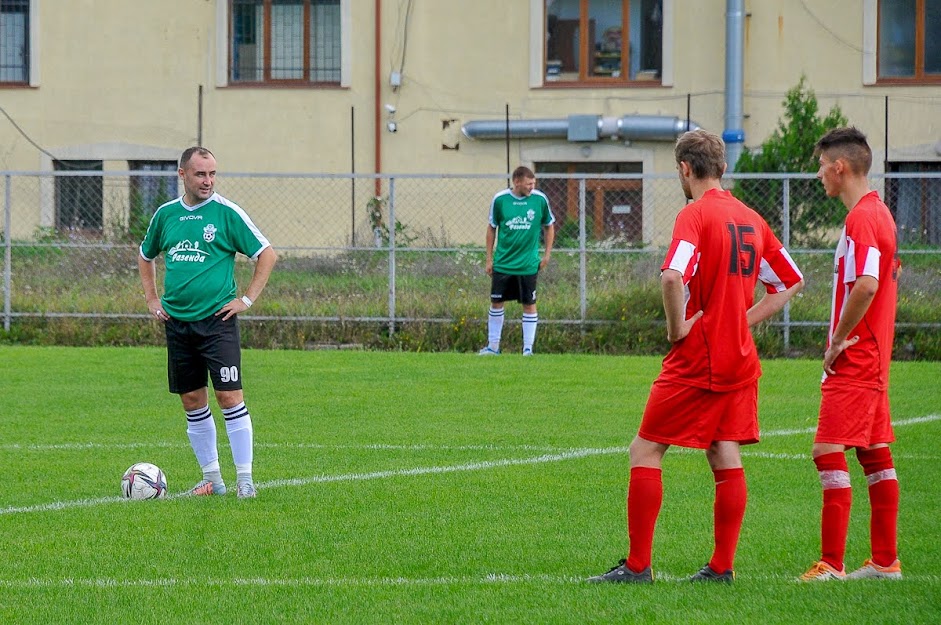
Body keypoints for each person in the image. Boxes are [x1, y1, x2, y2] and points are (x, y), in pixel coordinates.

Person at [589, 129, 804, 584]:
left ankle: (638, 567)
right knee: (724, 452)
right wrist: (740, 321)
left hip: (697, 358)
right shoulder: (751, 218)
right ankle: (722, 568)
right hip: (740, 359)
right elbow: (790, 281)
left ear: (685, 169)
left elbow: (671, 278)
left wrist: (677, 329)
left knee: (645, 448)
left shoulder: (695, 216)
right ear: (722, 168)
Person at [138, 147, 277, 499]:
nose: (208, 181)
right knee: (192, 400)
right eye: (201, 174)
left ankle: (245, 479)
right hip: (178, 323)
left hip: (217, 321)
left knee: (229, 396)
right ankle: (212, 480)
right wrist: (152, 299)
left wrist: (246, 299)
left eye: (213, 173)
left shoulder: (226, 213)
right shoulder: (166, 215)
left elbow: (266, 253)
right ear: (182, 174)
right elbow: (145, 255)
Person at [799, 127, 902, 582]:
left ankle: (832, 565)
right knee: (875, 452)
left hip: (858, 355)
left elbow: (867, 284)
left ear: (840, 167)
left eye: (822, 165)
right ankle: (884, 561)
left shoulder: (862, 218)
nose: (819, 173)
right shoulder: (879, 213)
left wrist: (838, 338)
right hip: (876, 354)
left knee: (827, 449)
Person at [478, 166, 555, 356]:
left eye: (534, 183)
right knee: (496, 303)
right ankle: (493, 347)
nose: (532, 187)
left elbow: (549, 226)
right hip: (503, 263)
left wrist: (547, 255)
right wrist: (489, 259)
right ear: (517, 182)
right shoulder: (500, 200)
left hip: (528, 265)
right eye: (529, 183)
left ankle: (527, 349)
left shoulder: (539, 199)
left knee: (529, 304)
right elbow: (491, 228)